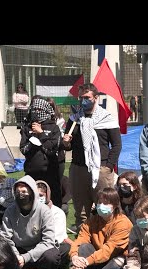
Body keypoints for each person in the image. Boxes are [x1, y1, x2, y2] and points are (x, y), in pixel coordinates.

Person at [63, 83, 122, 231]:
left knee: (104, 208)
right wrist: (65, 143)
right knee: (81, 211)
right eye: (81, 97)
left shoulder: (107, 118)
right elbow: (68, 146)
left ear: (96, 98)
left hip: (101, 169)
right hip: (78, 168)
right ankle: (82, 244)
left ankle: (105, 240)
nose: (84, 101)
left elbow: (116, 145)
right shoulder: (74, 119)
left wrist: (108, 167)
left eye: (87, 97)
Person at [56, 187, 132, 269]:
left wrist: (86, 261)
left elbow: (108, 250)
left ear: (115, 205)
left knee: (120, 260)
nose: (101, 205)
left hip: (116, 266)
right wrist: (74, 257)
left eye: (106, 203)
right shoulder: (91, 221)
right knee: (84, 247)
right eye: (99, 202)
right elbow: (79, 240)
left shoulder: (123, 223)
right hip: (97, 262)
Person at [0, 175, 60, 269]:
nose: (20, 194)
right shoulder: (10, 211)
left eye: (24, 191)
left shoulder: (44, 211)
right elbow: (5, 238)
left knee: (52, 255)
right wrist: (17, 256)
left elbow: (48, 241)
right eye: (17, 191)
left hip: (38, 251)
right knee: (0, 251)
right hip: (18, 251)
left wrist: (25, 257)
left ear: (32, 192)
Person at [19, 97, 62, 207]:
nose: (36, 112)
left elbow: (52, 149)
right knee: (30, 204)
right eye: (34, 109)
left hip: (50, 174)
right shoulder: (27, 128)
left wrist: (41, 134)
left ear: (46, 110)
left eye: (39, 110)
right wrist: (33, 138)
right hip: (31, 173)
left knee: (52, 204)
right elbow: (23, 149)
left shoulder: (54, 128)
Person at [36, 180, 71, 269]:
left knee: (66, 248)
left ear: (47, 195)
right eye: (35, 195)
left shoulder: (57, 213)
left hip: (50, 246)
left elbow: (56, 238)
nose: (38, 198)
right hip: (31, 246)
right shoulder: (26, 211)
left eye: (41, 195)